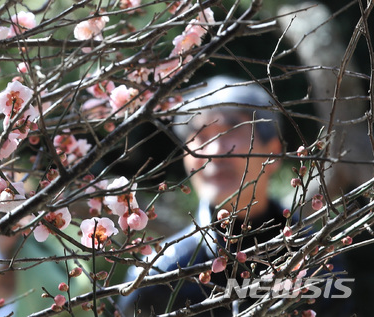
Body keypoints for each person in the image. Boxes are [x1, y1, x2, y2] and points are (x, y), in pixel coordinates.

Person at [119, 76, 350, 316]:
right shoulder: (161, 274)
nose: (216, 152)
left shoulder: (317, 259)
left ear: (273, 151)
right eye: (200, 136)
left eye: (232, 132)